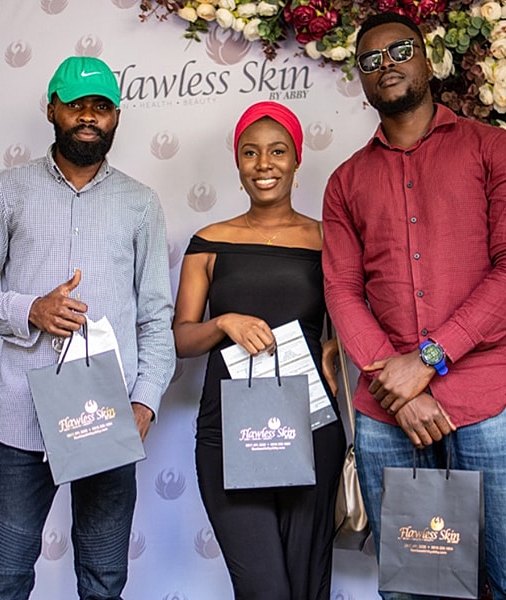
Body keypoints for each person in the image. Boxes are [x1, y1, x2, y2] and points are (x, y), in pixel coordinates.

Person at [322, 12, 506, 600]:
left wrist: (428, 359)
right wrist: (395, 383)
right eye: (369, 61)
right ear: (362, 82)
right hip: (388, 413)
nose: (386, 65)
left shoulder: (493, 149)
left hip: (491, 397)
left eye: (399, 50)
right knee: (410, 590)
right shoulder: (345, 183)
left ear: (427, 59)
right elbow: (343, 290)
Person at [0, 56, 175, 600]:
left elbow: (155, 316)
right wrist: (31, 310)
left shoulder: (140, 204)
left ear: (116, 116)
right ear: (51, 108)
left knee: (103, 582)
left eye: (101, 107)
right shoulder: (6, 190)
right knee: (4, 578)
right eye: (76, 105)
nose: (88, 117)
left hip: (107, 419)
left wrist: (143, 402)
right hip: (22, 422)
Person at [172, 101, 347, 600]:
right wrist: (223, 323)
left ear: (296, 159)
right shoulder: (209, 241)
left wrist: (335, 346)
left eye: (277, 152)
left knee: (306, 585)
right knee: (265, 588)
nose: (263, 164)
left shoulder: (328, 239)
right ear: (237, 163)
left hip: (312, 428)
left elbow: (351, 316)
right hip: (228, 432)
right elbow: (182, 338)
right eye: (250, 153)